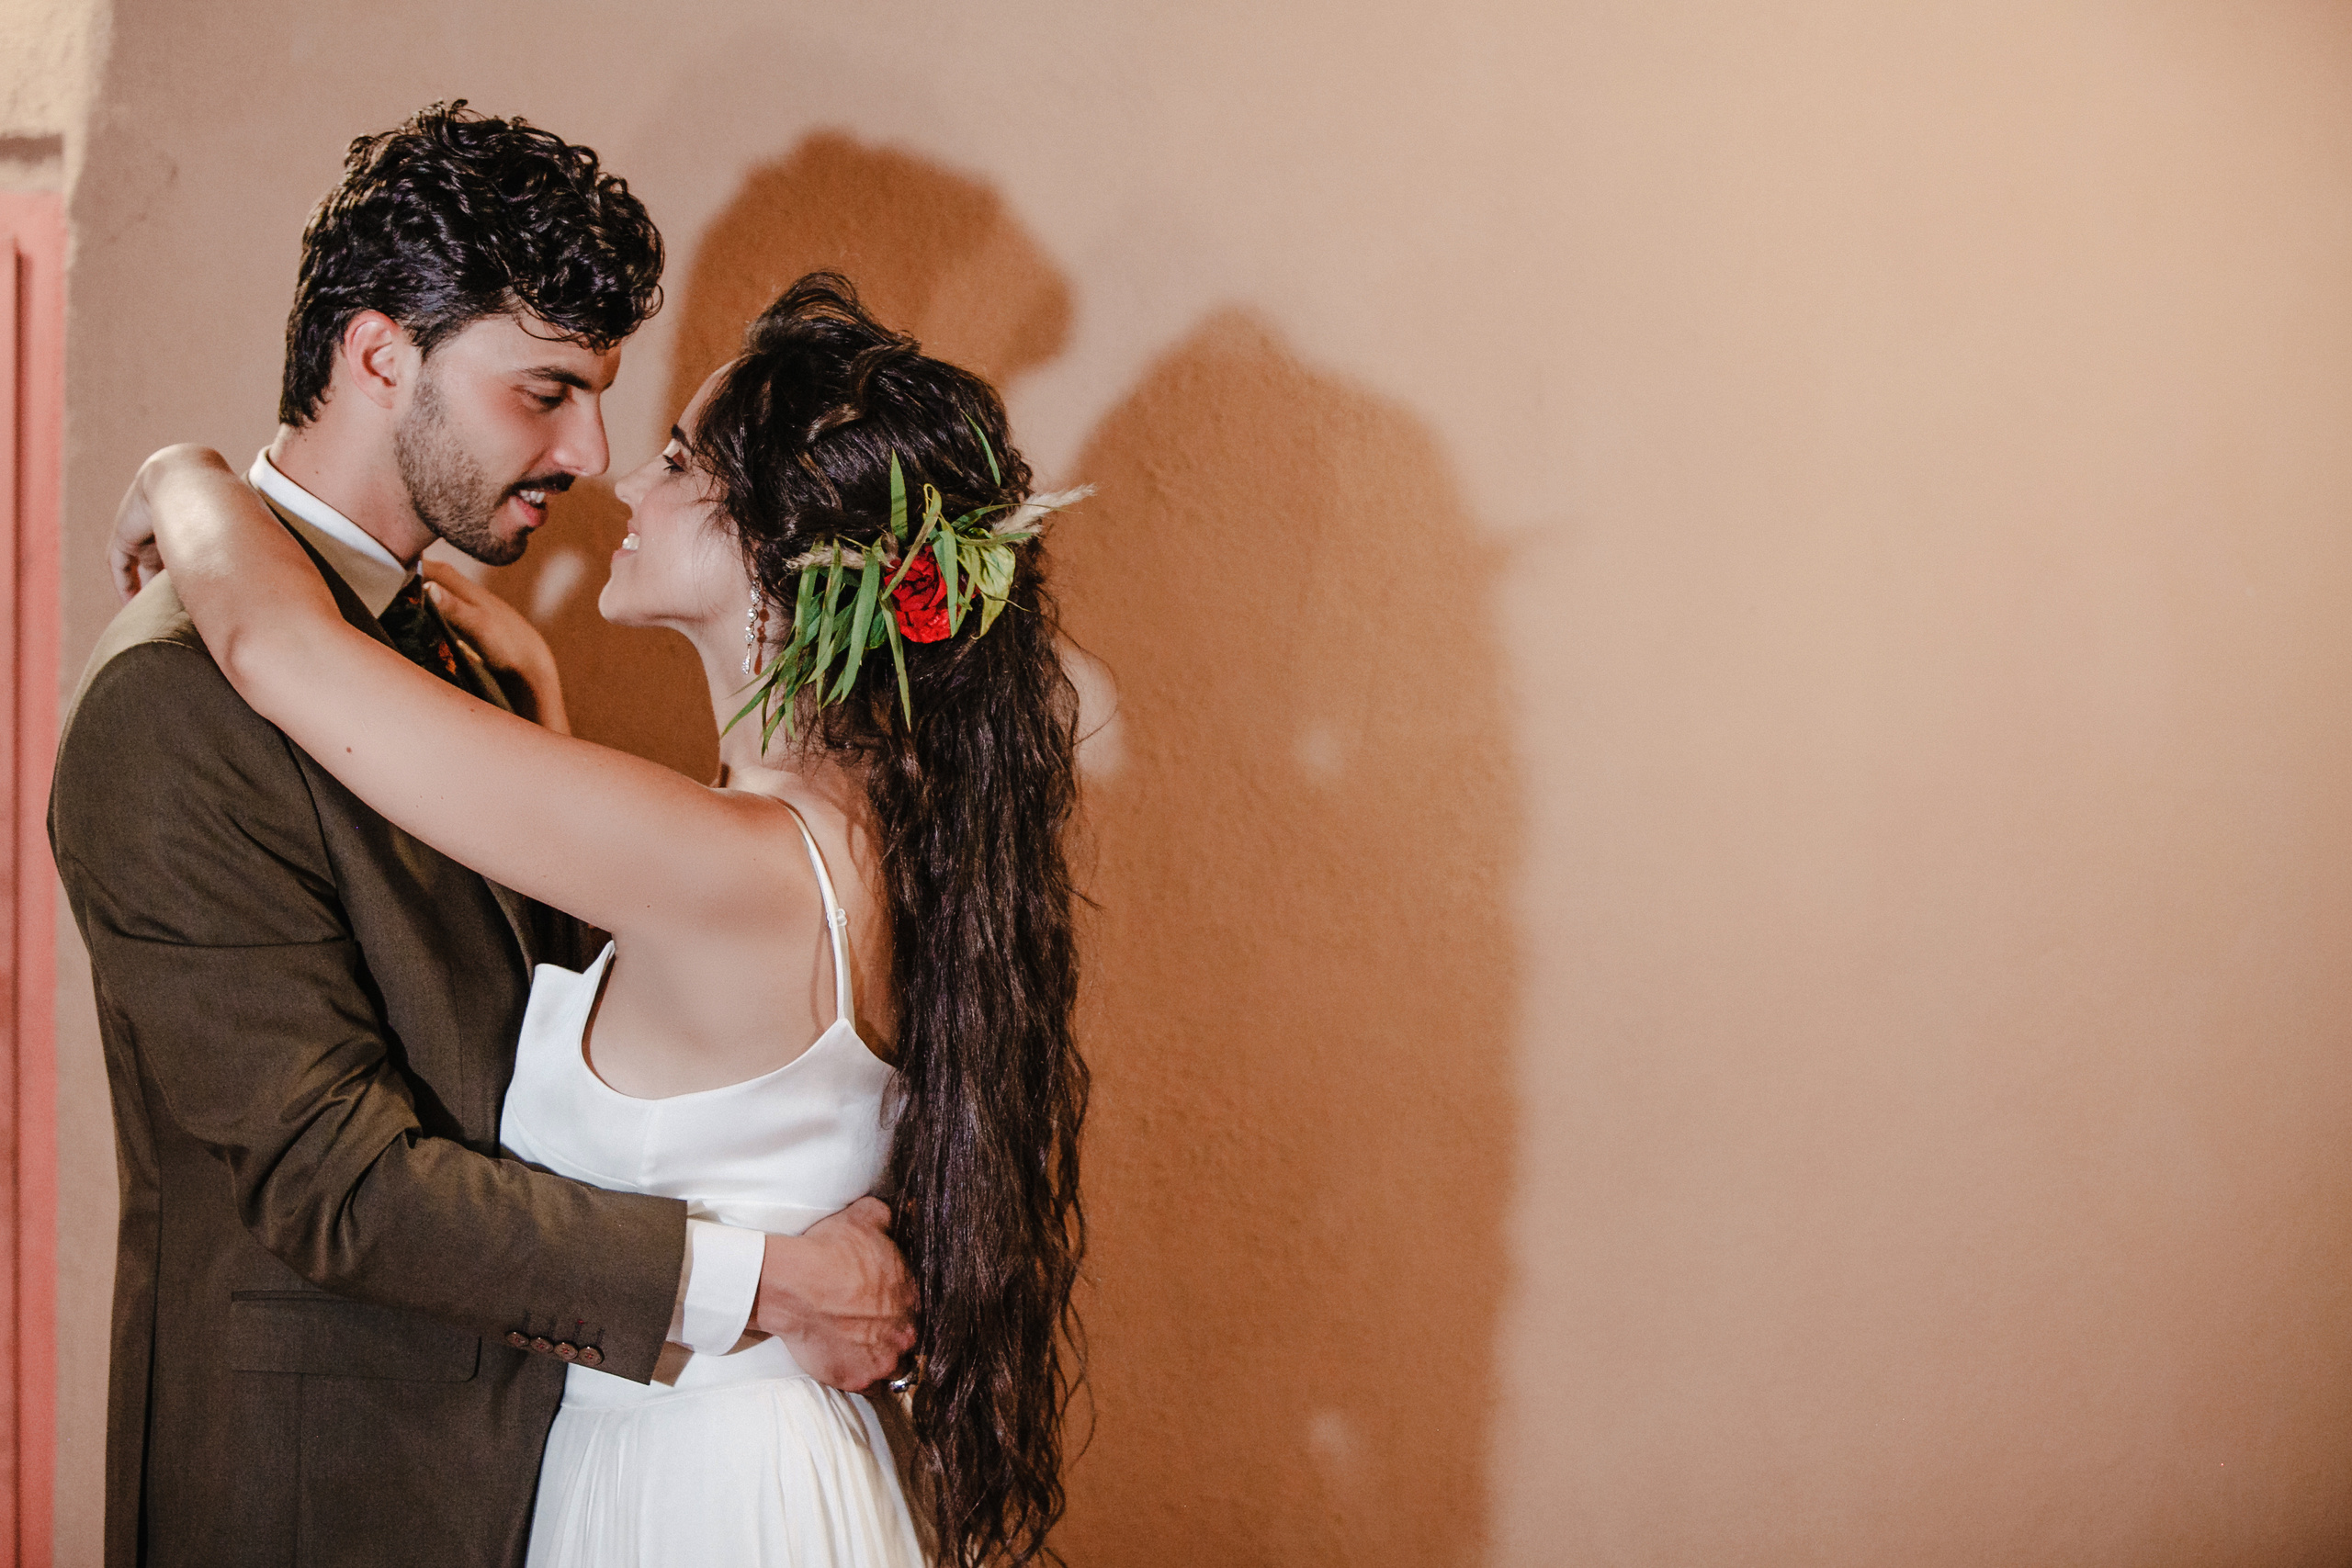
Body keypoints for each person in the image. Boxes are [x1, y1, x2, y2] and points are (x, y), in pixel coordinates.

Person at [51, 107, 915, 1568]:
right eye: (545, 392)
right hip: (327, 1499)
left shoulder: (481, 667)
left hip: (566, 1468)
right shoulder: (168, 703)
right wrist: (765, 1282)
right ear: (381, 355)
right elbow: (337, 1181)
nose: (588, 450)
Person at [117, 273, 1089, 1566]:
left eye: (682, 461)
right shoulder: (847, 834)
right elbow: (685, 1040)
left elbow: (278, 655)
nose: (625, 481)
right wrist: (546, 705)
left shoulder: (727, 864)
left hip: (695, 1495)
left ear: (773, 548)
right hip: (750, 1468)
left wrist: (184, 480)